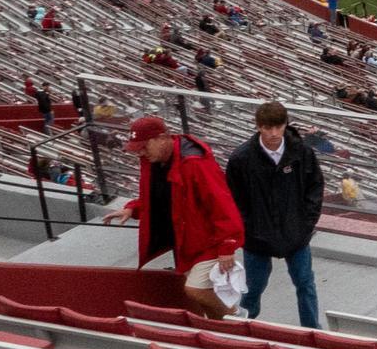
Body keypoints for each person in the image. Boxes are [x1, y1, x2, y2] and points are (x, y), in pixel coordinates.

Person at [105, 116, 244, 317]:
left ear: (162, 138)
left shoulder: (194, 162)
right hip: (186, 242)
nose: (141, 152)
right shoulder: (154, 161)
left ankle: (239, 319)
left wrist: (228, 245)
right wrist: (133, 209)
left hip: (209, 241)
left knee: (195, 290)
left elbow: (222, 204)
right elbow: (160, 197)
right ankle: (224, 334)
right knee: (206, 305)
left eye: (144, 146)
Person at [224, 101, 325, 328]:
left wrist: (305, 224)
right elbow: (233, 200)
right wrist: (249, 229)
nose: (273, 133)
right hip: (257, 237)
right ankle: (243, 326)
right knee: (254, 287)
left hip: (295, 233)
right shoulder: (241, 159)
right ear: (258, 127)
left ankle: (312, 332)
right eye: (268, 128)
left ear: (285, 125)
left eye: (277, 127)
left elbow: (315, 188)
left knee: (305, 283)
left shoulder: (301, 152)